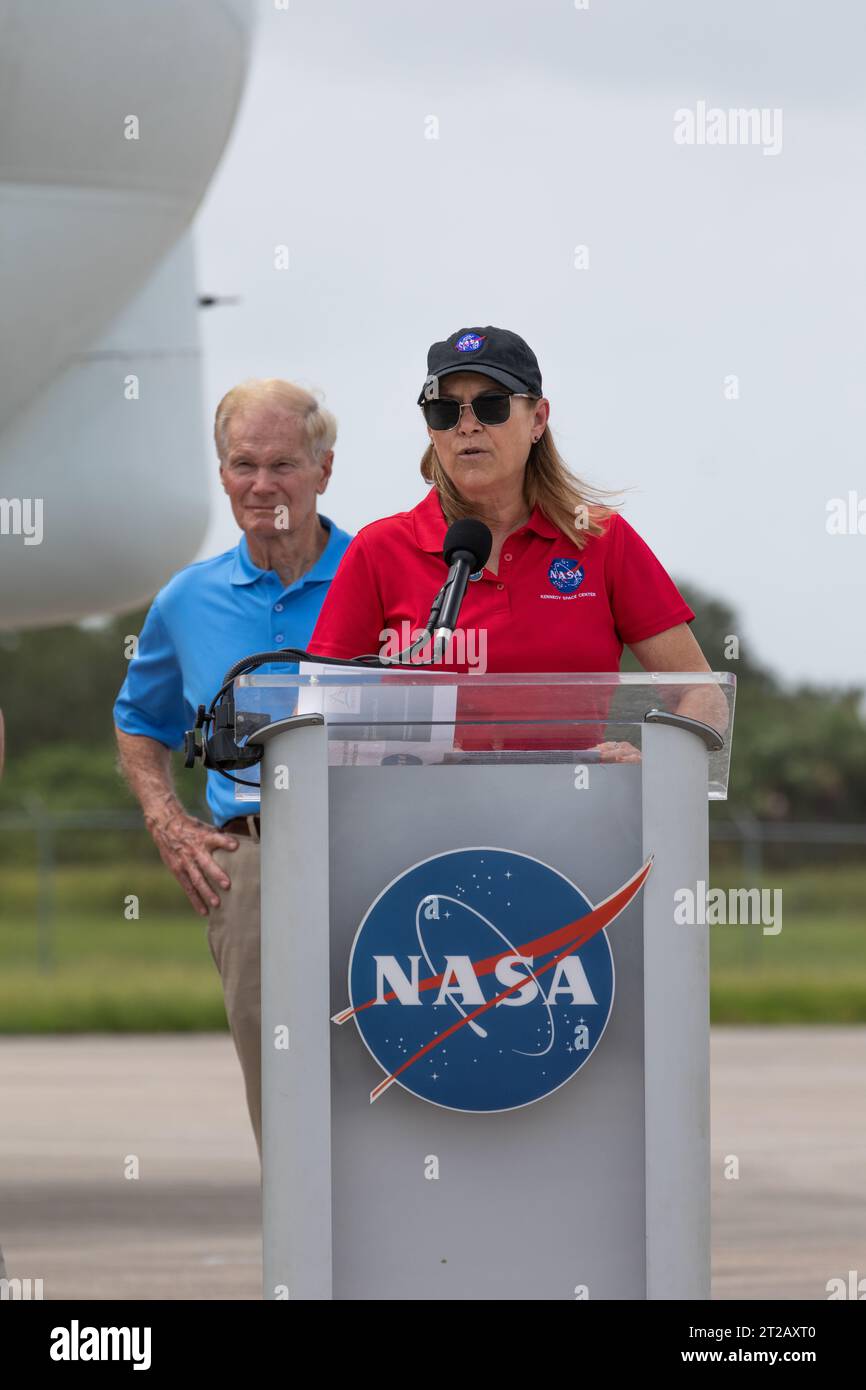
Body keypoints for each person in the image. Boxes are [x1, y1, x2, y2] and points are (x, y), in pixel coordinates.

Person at [114, 380, 352, 1158]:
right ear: (221, 475)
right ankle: (303, 1269)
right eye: (243, 463)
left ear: (324, 468)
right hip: (248, 862)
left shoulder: (380, 574)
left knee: (398, 1060)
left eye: (284, 462)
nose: (262, 483)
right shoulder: (186, 600)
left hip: (378, 848)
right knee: (280, 1082)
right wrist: (166, 821)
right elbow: (140, 720)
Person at [311, 325, 726, 748]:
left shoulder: (600, 539)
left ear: (538, 419)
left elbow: (700, 693)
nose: (467, 426)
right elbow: (319, 711)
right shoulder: (379, 550)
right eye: (445, 410)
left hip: (576, 809)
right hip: (423, 813)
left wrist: (651, 768)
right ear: (430, 429)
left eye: (491, 406)